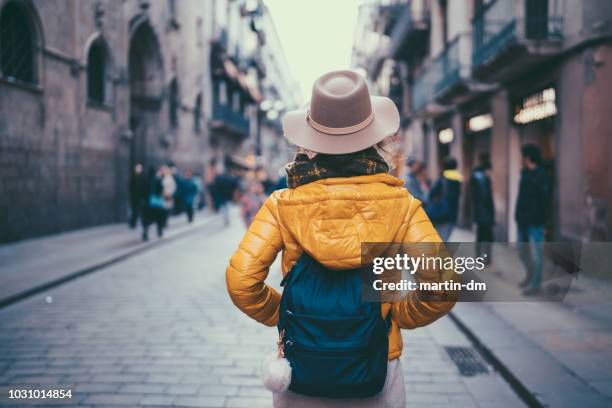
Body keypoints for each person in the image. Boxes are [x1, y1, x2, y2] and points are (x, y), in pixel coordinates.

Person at [226, 70, 458, 407]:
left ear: (310, 142)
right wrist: (394, 316)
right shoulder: (403, 205)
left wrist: (288, 316)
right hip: (375, 365)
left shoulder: (281, 205)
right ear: (375, 139)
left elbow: (240, 282)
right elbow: (444, 284)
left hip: (301, 364)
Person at [515, 144, 550, 295]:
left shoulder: (542, 175)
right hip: (522, 219)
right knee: (521, 250)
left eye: (522, 156)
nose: (520, 159)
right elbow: (521, 197)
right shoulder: (524, 173)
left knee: (537, 254)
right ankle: (530, 275)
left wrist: (545, 223)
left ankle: (536, 285)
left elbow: (546, 201)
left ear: (528, 158)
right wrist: (517, 214)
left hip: (536, 221)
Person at [426, 157, 464, 241]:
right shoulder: (458, 179)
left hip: (440, 214)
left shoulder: (442, 180)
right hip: (452, 214)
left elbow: (431, 194)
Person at [470, 153, 495, 263]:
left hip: (479, 212)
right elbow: (487, 198)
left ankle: (479, 257)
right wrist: (492, 214)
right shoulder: (483, 180)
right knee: (488, 238)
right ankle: (486, 258)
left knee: (480, 236)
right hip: (486, 214)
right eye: (490, 171)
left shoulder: (475, 176)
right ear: (487, 170)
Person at [142, 167, 166, 241]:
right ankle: (159, 231)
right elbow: (161, 189)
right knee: (159, 218)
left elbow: (142, 191)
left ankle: (145, 232)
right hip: (156, 203)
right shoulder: (158, 180)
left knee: (147, 219)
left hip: (147, 203)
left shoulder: (145, 180)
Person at [128, 163, 146, 228]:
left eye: (139, 168)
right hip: (134, 197)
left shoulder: (142, 177)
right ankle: (133, 223)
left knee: (138, 210)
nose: (138, 170)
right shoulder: (133, 177)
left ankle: (136, 222)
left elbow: (144, 187)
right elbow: (130, 187)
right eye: (137, 168)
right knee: (134, 210)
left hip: (139, 197)